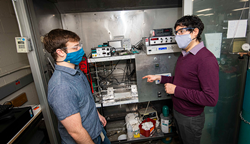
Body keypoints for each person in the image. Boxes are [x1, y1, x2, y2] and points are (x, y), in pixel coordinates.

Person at [143, 15, 219, 144]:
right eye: (176, 32)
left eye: (182, 31)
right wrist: (159, 78)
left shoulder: (206, 60)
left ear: (195, 32)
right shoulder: (185, 55)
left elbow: (210, 99)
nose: (178, 36)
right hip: (178, 112)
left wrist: (176, 90)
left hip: (191, 118)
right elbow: (181, 80)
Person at [43, 29, 111, 144]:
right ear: (60, 52)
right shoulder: (61, 87)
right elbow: (76, 132)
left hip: (98, 132)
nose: (80, 50)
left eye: (79, 46)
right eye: (75, 48)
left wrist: (97, 114)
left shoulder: (76, 71)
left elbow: (85, 99)